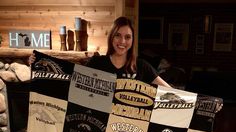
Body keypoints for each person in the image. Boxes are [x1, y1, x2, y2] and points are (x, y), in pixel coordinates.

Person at [28, 16, 170, 87]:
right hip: (101, 130)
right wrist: (38, 64)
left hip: (131, 131)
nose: (122, 42)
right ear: (111, 37)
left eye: (128, 37)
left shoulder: (141, 66)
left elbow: (169, 91)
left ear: (132, 40)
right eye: (118, 35)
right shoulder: (97, 63)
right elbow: (71, 80)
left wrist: (190, 102)